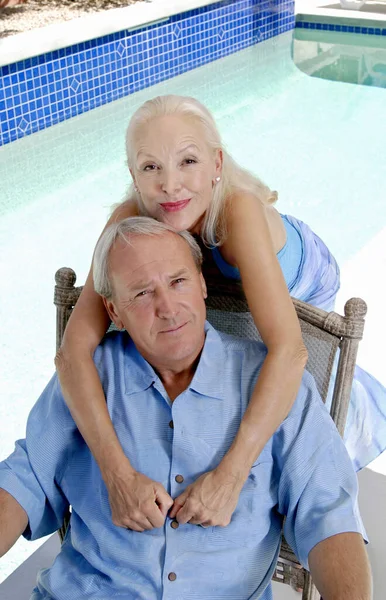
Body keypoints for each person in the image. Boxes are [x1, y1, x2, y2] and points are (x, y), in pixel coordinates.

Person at [55, 94, 386, 532]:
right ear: (133, 174)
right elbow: (71, 353)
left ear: (216, 164)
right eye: (151, 167)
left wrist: (230, 477)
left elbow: (289, 352)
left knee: (285, 378)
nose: (170, 185)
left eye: (187, 161)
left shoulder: (239, 213)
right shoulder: (127, 219)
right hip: (213, 269)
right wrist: (117, 475)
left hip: (304, 276)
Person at [0, 219, 372, 600]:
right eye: (142, 293)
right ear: (114, 311)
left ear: (202, 284)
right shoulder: (91, 378)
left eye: (178, 282)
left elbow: (329, 515)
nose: (167, 308)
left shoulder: (274, 383)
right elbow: (23, 480)